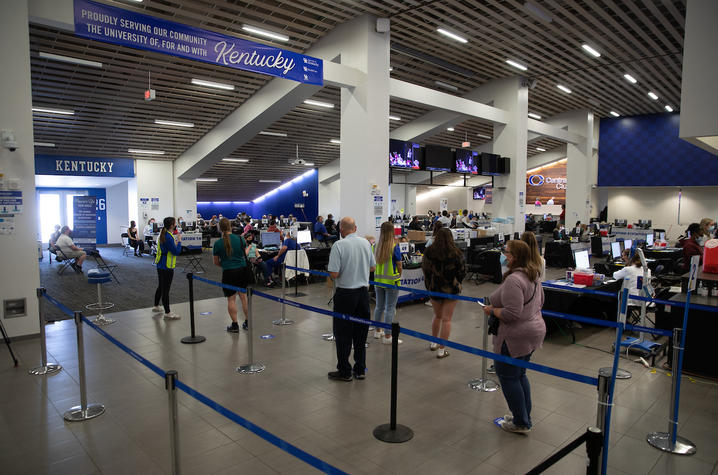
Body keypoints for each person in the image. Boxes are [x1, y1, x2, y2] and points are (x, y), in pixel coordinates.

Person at [483, 240, 545, 434]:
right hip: (533, 332)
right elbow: (541, 302)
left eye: (507, 252)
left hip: (515, 336)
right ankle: (523, 415)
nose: (504, 255)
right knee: (519, 375)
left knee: (508, 377)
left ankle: (520, 422)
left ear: (515, 256)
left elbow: (511, 314)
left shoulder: (514, 280)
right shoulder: (533, 275)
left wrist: (492, 310)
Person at [327, 217, 376, 381]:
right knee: (361, 334)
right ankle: (360, 369)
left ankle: (344, 371)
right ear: (355, 228)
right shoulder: (366, 244)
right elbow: (372, 267)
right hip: (363, 295)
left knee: (343, 334)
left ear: (341, 230)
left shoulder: (338, 245)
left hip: (345, 294)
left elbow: (334, 274)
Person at [422, 227, 466, 358]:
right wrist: (457, 282)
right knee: (447, 320)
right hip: (451, 289)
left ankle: (433, 343)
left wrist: (429, 285)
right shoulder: (456, 253)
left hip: (435, 288)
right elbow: (462, 271)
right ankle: (441, 350)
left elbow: (425, 269)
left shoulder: (429, 251)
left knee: (437, 316)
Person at [213, 218, 250, 332]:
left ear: (220, 228)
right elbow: (244, 254)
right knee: (244, 297)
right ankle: (248, 322)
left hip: (228, 272)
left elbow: (216, 262)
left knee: (231, 299)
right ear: (230, 227)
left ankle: (235, 325)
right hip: (242, 270)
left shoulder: (218, 243)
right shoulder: (240, 239)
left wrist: (226, 265)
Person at [373, 221, 403, 345]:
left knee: (379, 306)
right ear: (392, 231)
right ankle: (388, 336)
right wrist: (399, 275)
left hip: (378, 281)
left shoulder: (375, 246)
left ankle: (377, 331)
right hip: (391, 282)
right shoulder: (394, 246)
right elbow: (399, 265)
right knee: (390, 308)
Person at [152, 217, 182, 320]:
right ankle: (168, 312)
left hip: (161, 264)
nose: (175, 225)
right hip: (167, 266)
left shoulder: (163, 234)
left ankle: (156, 305)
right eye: (174, 224)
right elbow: (176, 252)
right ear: (171, 225)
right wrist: (179, 242)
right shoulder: (168, 237)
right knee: (166, 289)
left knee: (161, 286)